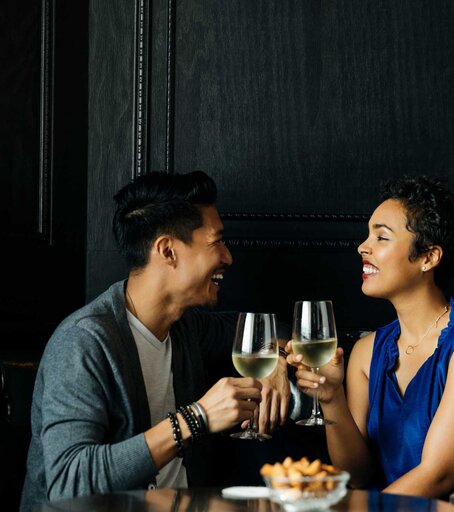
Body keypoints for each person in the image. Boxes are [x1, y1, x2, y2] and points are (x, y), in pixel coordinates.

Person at [20, 170, 291, 511]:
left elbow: (275, 327)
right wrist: (196, 418)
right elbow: (68, 482)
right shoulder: (83, 342)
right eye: (216, 241)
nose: (228, 257)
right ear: (168, 251)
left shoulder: (186, 326)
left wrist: (275, 358)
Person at [287, 175, 454, 499]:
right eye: (367, 234)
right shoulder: (365, 351)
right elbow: (357, 475)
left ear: (429, 258)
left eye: (381, 237)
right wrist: (331, 398)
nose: (363, 246)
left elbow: (438, 477)